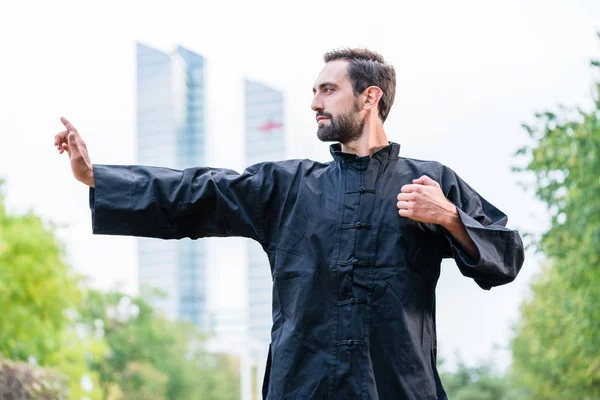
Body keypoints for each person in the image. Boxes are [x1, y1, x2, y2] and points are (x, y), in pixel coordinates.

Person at [54, 48, 524, 400]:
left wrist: (447, 217)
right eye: (314, 92)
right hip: (302, 386)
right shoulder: (289, 186)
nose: (315, 103)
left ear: (369, 97)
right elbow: (199, 191)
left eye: (327, 90)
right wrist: (97, 178)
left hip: (399, 387)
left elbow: (505, 258)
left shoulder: (430, 183)